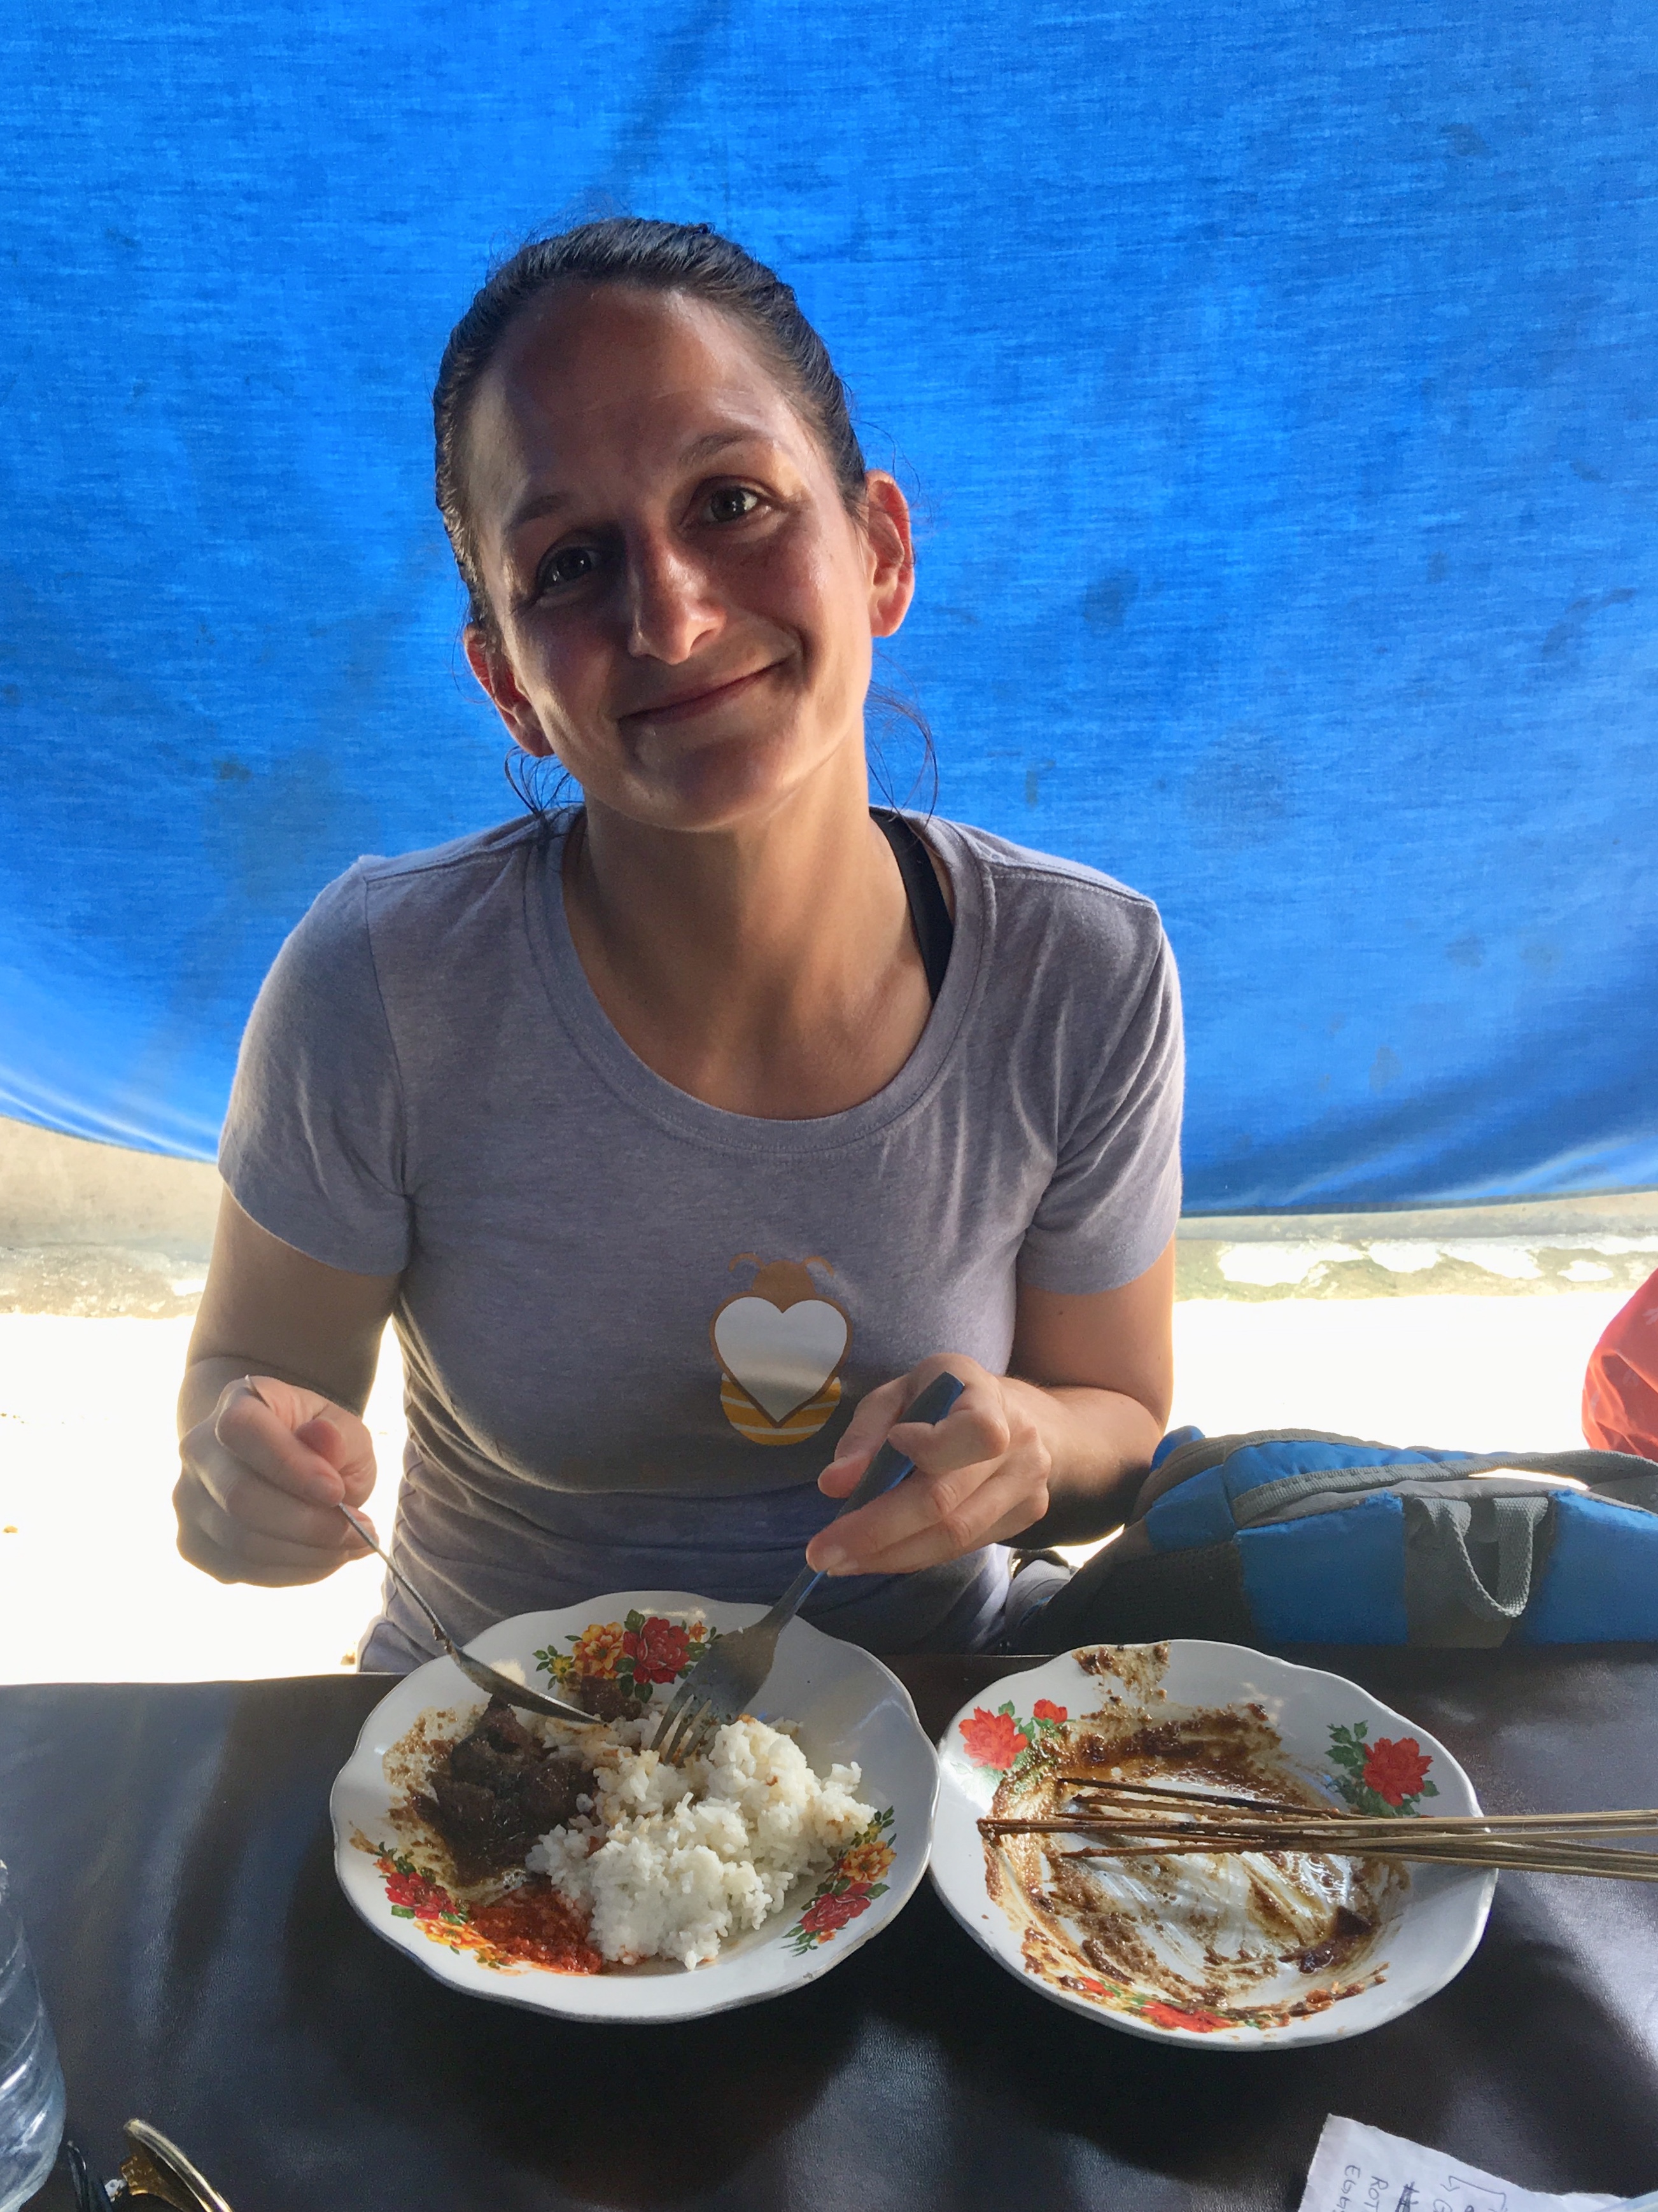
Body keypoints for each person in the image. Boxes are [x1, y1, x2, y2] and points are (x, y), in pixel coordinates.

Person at [172, 218, 1183, 1670]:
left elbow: (1119, 1424)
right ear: (507, 685)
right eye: (571, 562)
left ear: (879, 550)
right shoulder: (386, 983)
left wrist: (1028, 1440)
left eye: (731, 503)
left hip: (925, 1730)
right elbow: (257, 1376)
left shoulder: (1080, 974)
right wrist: (244, 1472)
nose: (670, 614)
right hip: (484, 1749)